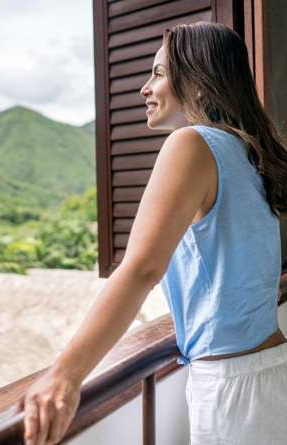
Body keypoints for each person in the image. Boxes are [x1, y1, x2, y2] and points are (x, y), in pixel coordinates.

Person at [18, 21, 287, 445]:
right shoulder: (246, 151)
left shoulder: (191, 144)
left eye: (158, 73)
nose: (144, 88)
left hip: (233, 387)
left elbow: (143, 267)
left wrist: (64, 375)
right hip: (271, 367)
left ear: (198, 84)